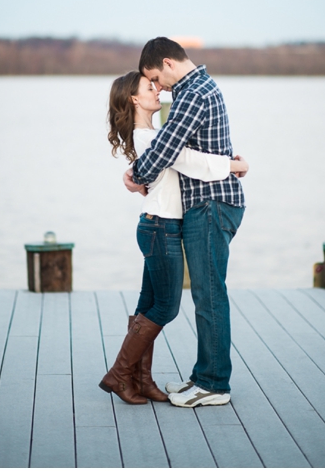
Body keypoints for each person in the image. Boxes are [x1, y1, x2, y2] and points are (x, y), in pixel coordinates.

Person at [100, 71, 248, 404]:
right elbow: (190, 161)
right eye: (148, 86)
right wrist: (233, 166)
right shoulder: (151, 138)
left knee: (148, 306)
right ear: (135, 99)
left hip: (157, 224)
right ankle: (119, 374)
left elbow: (161, 178)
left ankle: (140, 380)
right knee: (165, 307)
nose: (156, 90)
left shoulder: (152, 134)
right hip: (160, 227)